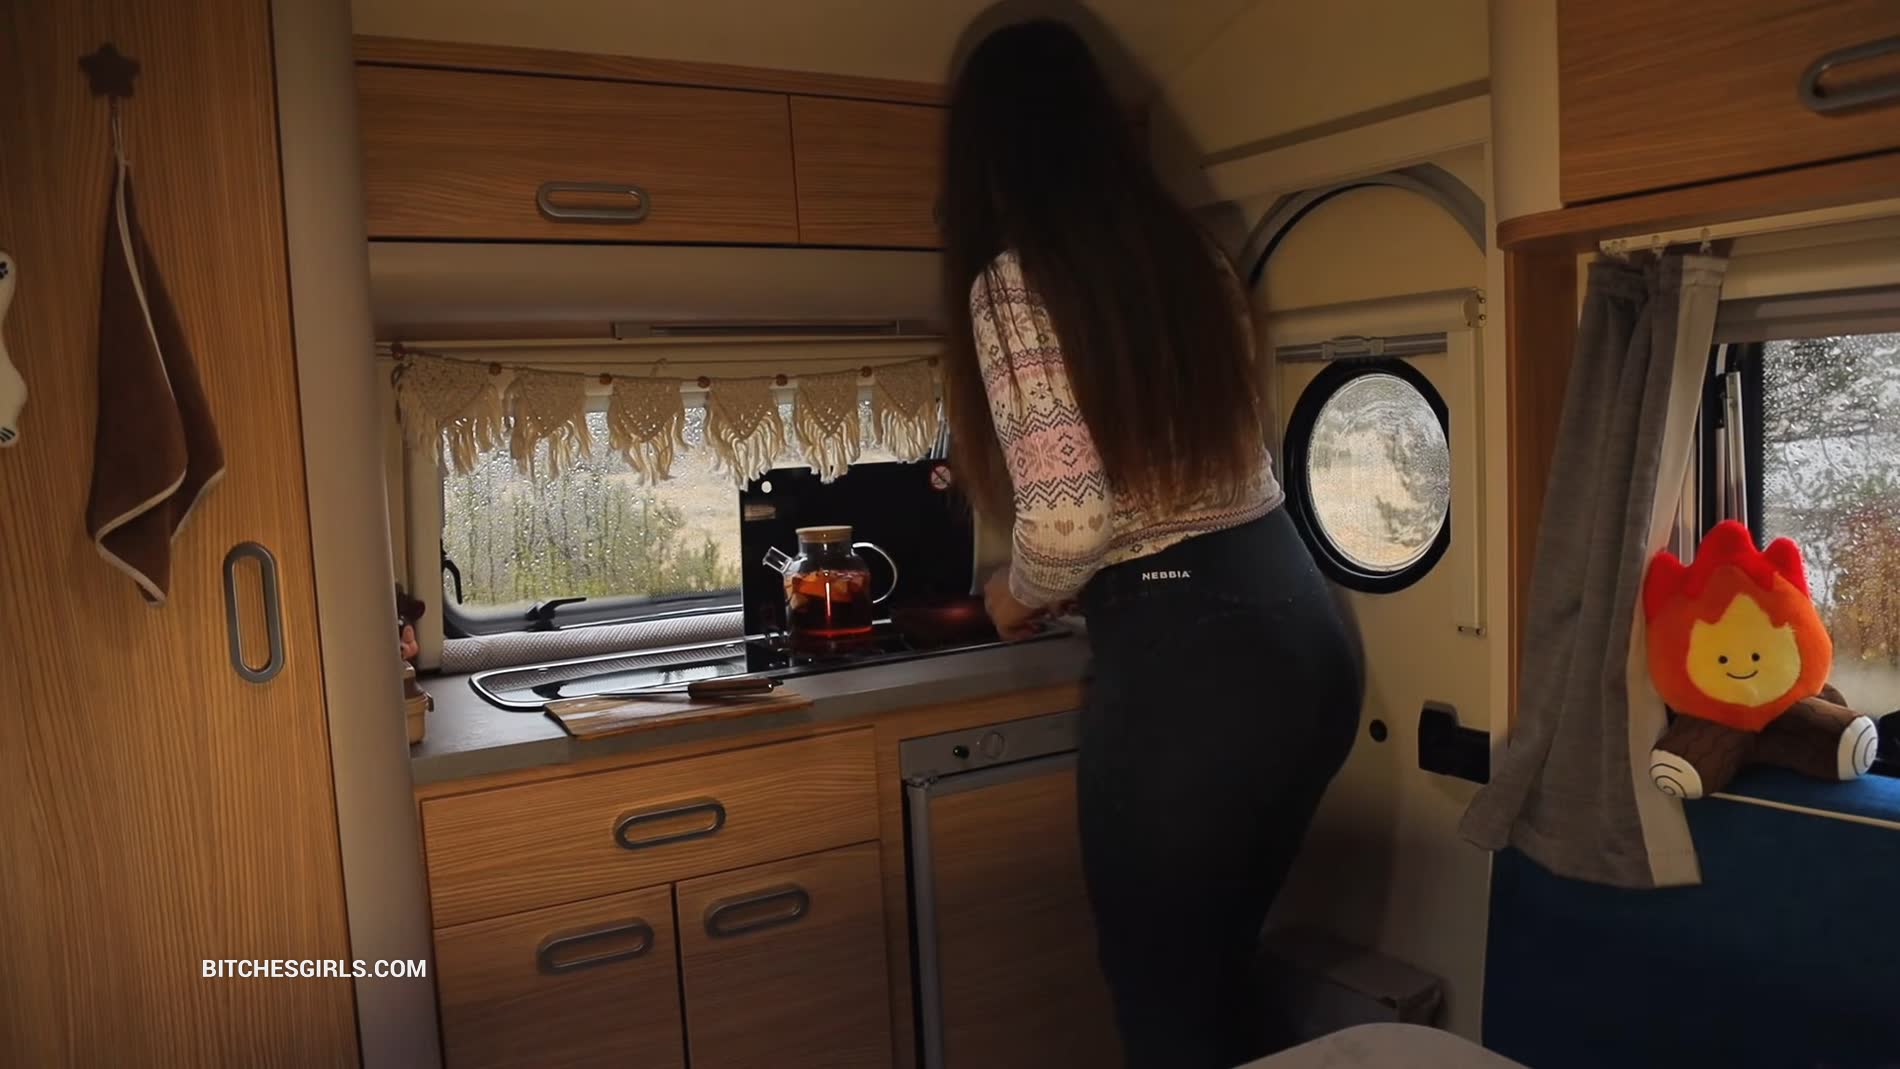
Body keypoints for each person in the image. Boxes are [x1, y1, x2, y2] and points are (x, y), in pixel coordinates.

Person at [940, 18, 1363, 1068]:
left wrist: (1015, 591)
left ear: (985, 154)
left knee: (1167, 1005)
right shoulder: (1189, 254)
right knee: (1219, 972)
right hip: (1302, 630)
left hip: (1194, 668)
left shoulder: (1011, 282)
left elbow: (1069, 521)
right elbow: (1187, 474)